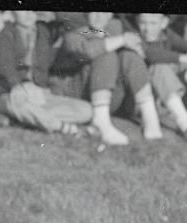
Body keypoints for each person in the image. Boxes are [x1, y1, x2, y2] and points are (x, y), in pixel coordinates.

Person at [56, 11, 164, 145]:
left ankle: (151, 119)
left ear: (111, 15)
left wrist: (137, 49)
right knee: (104, 55)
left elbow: (145, 49)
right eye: (93, 12)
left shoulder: (116, 26)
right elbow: (87, 50)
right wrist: (122, 40)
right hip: (77, 93)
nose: (99, 16)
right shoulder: (75, 28)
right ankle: (101, 122)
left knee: (129, 56)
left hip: (107, 94)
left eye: (104, 12)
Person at [0, 10, 93, 134]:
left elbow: (77, 22)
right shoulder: (5, 34)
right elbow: (4, 67)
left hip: (38, 96)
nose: (28, 14)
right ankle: (64, 128)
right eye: (23, 10)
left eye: (33, 11)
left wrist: (55, 14)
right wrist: (19, 87)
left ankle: (20, 118)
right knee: (16, 103)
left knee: (87, 110)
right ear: (14, 12)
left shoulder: (44, 32)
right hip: (9, 93)